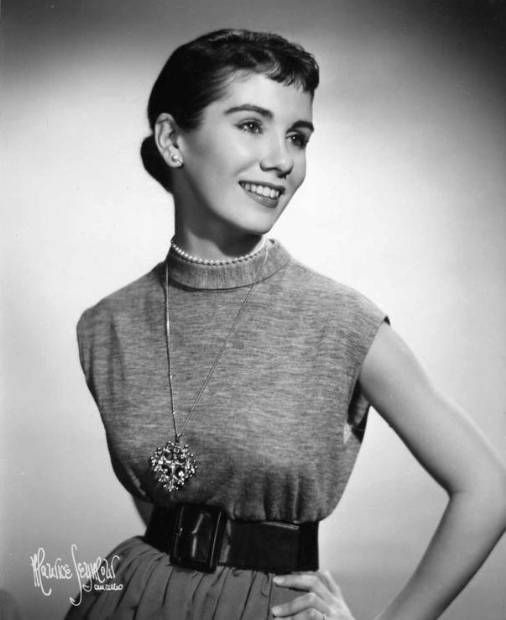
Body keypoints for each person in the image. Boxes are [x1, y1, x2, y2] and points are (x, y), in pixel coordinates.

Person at [66, 28, 506, 620]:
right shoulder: (106, 326)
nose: (282, 159)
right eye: (252, 125)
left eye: (297, 136)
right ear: (172, 140)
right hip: (131, 598)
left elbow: (487, 489)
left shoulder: (340, 320)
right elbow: (163, 498)